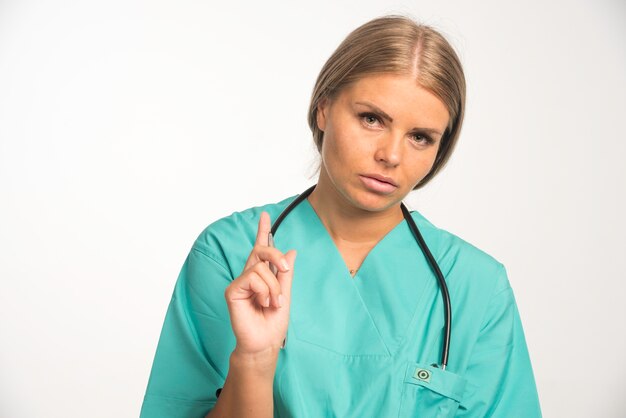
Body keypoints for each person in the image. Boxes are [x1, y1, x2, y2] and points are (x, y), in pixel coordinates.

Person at [139, 15, 542, 418]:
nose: (391, 155)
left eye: (420, 137)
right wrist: (255, 361)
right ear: (324, 109)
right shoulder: (229, 255)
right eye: (372, 119)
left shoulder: (476, 286)